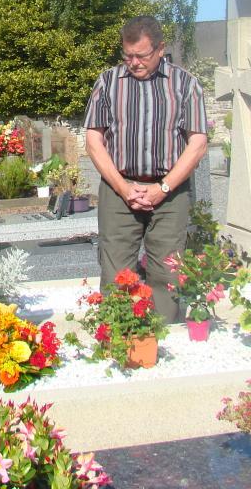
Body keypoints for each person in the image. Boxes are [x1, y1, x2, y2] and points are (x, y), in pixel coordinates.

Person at [83, 16, 208, 323]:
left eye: (142, 55)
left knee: (167, 272)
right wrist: (123, 187)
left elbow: (198, 143)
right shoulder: (108, 82)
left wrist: (162, 188)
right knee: (116, 273)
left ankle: (161, 339)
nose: (134, 63)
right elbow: (93, 140)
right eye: (128, 56)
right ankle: (119, 339)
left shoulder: (185, 84)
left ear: (161, 48)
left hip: (169, 194)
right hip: (119, 189)